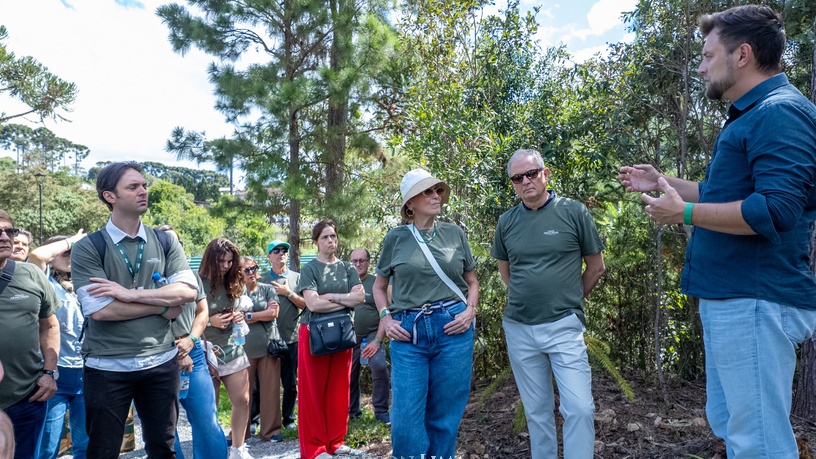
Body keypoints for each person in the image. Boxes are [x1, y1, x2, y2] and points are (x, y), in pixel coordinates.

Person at [618, 5, 816, 457]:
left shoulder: (779, 112)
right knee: (734, 427)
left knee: (759, 443)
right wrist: (666, 182)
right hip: (737, 299)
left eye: (708, 56)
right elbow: (724, 192)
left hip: (757, 299)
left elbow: (775, 209)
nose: (702, 66)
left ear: (742, 54)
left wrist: (684, 213)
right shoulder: (754, 114)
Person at [71, 162, 197, 458]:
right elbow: (100, 310)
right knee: (103, 452)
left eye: (144, 185)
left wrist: (128, 294)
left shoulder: (166, 241)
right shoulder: (89, 247)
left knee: (163, 449)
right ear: (109, 196)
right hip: (107, 366)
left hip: (161, 363)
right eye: (133, 187)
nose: (143, 191)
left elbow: (188, 292)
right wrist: (163, 305)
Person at [492, 149, 605, 459]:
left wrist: (566, 301)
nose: (526, 181)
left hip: (564, 327)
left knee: (580, 408)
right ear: (512, 184)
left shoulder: (573, 212)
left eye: (531, 173)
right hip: (519, 328)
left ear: (546, 173)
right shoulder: (507, 222)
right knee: (537, 412)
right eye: (517, 177)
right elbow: (507, 272)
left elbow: (596, 267)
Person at [373, 169, 479, 458]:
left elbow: (472, 282)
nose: (436, 196)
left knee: (445, 413)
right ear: (410, 204)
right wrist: (386, 317)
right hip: (409, 332)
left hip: (453, 328)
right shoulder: (395, 238)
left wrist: (470, 311)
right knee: (406, 414)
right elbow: (379, 287)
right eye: (427, 192)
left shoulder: (454, 233)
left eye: (438, 191)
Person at [156, 226, 228, 459]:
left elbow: (203, 311)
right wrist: (178, 348)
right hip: (159, 356)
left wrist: (192, 339)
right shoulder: (146, 277)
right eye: (165, 242)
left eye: (175, 242)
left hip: (194, 351)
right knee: (164, 426)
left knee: (207, 419)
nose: (171, 247)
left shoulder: (188, 274)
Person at [298, 220, 365, 459]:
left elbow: (360, 298)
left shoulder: (347, 268)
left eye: (333, 237)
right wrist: (344, 299)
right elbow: (312, 303)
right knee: (313, 390)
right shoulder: (309, 269)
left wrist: (333, 296)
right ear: (316, 241)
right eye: (325, 237)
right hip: (313, 332)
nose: (330, 241)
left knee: (339, 388)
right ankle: (314, 448)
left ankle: (335, 442)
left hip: (342, 331)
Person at [0, 211, 60, 459]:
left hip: (26, 396)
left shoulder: (31, 274)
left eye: (9, 231)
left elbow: (50, 326)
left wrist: (49, 372)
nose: (5, 238)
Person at [29, 231, 89, 459]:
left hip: (86, 372)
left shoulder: (84, 282)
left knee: (85, 442)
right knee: (48, 445)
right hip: (55, 373)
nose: (70, 255)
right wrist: (72, 240)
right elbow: (37, 255)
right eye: (65, 252)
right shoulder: (44, 282)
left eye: (74, 252)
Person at [199, 238, 254, 459]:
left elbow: (241, 306)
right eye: (221, 261)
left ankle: (238, 449)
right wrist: (210, 321)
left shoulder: (234, 280)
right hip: (204, 351)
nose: (225, 266)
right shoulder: (196, 281)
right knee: (207, 409)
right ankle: (212, 452)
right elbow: (183, 320)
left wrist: (239, 316)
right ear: (210, 259)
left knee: (243, 400)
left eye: (230, 261)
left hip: (232, 348)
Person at [259, 240, 305, 430]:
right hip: (266, 340)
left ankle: (288, 419)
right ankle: (258, 420)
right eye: (276, 251)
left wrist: (288, 293)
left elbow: (307, 304)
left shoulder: (297, 278)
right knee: (262, 385)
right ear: (269, 256)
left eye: (284, 250)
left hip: (291, 338)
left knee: (290, 384)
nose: (281, 253)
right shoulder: (261, 279)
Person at [240, 256, 284, 442]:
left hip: (268, 347)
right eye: (247, 270)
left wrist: (249, 315)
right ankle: (240, 431)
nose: (252, 272)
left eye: (254, 268)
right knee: (242, 393)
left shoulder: (267, 289)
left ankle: (271, 431)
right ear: (239, 274)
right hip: (243, 349)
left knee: (270, 390)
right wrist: (261, 314)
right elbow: (234, 316)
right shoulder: (236, 293)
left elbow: (273, 313)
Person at [348, 248, 391, 425]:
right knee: (348, 374)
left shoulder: (376, 284)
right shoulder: (346, 282)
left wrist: (377, 340)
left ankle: (381, 411)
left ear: (368, 262)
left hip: (373, 334)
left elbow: (385, 313)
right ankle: (352, 412)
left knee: (379, 367)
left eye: (362, 260)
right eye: (354, 261)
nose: (358, 264)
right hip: (349, 336)